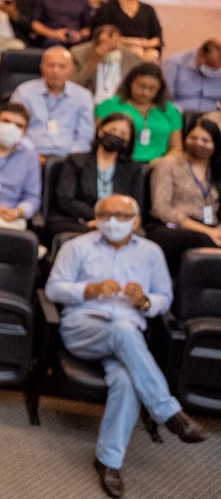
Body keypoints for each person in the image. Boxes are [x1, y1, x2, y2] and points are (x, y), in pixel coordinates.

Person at [44, 195, 210, 499]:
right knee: (122, 331)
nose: (113, 221)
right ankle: (169, 412)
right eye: (106, 215)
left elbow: (164, 298)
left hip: (129, 336)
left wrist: (145, 301)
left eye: (121, 215)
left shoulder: (151, 253)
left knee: (127, 380)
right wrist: (88, 289)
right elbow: (54, 288)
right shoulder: (76, 247)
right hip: (83, 329)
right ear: (96, 218)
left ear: (135, 221)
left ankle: (108, 461)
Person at [146, 118, 221, 274]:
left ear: (215, 145)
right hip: (171, 227)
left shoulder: (217, 170)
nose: (198, 143)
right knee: (201, 240)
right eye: (193, 138)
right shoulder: (167, 165)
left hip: (211, 226)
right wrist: (207, 231)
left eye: (205, 140)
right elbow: (161, 209)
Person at [49, 113, 138, 241]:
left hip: (117, 223)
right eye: (112, 130)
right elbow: (65, 199)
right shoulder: (76, 160)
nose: (116, 135)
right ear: (100, 131)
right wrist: (101, 218)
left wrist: (108, 220)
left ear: (128, 142)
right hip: (76, 219)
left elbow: (134, 203)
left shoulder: (133, 169)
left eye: (123, 134)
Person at [10, 46, 95, 158]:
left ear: (71, 69)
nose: (55, 71)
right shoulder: (24, 92)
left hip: (69, 159)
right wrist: (32, 154)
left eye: (62, 66)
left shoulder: (83, 96)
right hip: (29, 155)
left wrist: (70, 159)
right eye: (51, 65)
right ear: (41, 67)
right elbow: (14, 128)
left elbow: (85, 136)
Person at [95, 63, 183, 163]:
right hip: (119, 163)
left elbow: (176, 148)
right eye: (141, 86)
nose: (146, 93)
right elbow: (97, 138)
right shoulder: (110, 105)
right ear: (130, 83)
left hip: (158, 165)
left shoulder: (170, 111)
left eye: (152, 88)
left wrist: (160, 163)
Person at [92, 0, 162, 59]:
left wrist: (145, 43)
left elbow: (157, 36)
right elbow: (101, 32)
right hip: (117, 45)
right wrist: (130, 42)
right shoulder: (108, 7)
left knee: (152, 55)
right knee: (136, 53)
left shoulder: (148, 9)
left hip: (144, 46)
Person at [70, 24, 140, 104]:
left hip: (121, 104)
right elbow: (73, 86)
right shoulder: (78, 54)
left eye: (115, 45)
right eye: (105, 44)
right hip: (92, 104)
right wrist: (93, 62)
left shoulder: (130, 56)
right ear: (94, 44)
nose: (110, 48)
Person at [162, 39, 221, 113]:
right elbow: (165, 98)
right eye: (209, 66)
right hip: (181, 113)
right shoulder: (175, 63)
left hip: (211, 114)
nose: (212, 72)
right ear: (200, 54)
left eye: (216, 69)